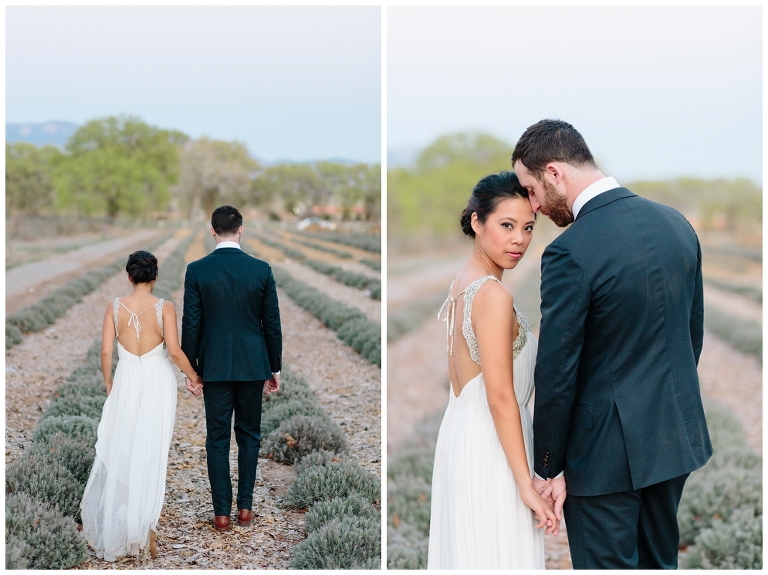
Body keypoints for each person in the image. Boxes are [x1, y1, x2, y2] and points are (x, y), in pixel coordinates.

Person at [512, 119, 712, 569]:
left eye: (530, 189)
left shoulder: (570, 251)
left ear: (554, 172)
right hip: (673, 439)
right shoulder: (676, 225)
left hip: (602, 457)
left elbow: (557, 370)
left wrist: (548, 465)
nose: (534, 205)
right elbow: (690, 336)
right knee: (660, 564)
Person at [428, 171, 557, 569]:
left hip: (466, 434)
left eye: (528, 227)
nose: (519, 238)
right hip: (493, 447)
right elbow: (500, 395)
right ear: (476, 222)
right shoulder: (492, 294)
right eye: (506, 225)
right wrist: (526, 482)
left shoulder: (465, 282)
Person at [81, 250, 202, 561]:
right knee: (151, 447)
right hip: (156, 381)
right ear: (155, 277)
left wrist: (110, 382)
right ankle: (144, 522)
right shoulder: (166, 308)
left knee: (124, 443)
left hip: (127, 377)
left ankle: (121, 521)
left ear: (129, 276)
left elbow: (106, 351)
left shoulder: (114, 307)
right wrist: (194, 377)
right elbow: (174, 351)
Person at [181, 205, 282, 533]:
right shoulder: (261, 269)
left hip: (216, 366)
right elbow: (272, 324)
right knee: (250, 436)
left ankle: (221, 513)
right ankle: (246, 510)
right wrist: (274, 367)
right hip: (254, 365)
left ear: (212, 231)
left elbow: (192, 324)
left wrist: (191, 370)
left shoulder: (197, 271)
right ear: (241, 230)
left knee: (217, 438)